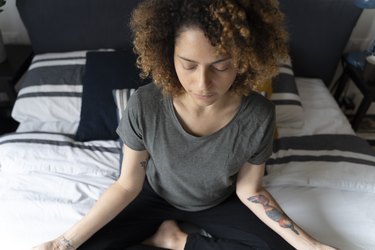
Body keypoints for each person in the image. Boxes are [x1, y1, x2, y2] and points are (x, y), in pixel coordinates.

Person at [33, 0, 337, 249]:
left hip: (219, 202)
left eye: (220, 66)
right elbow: (127, 185)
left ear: (243, 60)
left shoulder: (258, 115)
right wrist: (63, 242)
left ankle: (176, 240)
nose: (202, 83)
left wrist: (311, 246)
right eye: (188, 65)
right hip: (152, 195)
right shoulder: (145, 103)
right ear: (168, 55)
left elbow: (250, 189)